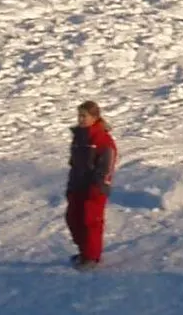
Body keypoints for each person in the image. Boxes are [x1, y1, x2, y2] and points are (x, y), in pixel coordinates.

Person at [66, 100, 119, 269]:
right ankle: (84, 251)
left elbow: (107, 164)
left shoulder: (102, 139)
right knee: (74, 219)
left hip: (94, 188)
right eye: (79, 116)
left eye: (84, 116)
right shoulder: (79, 138)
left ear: (95, 117)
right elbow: (74, 164)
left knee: (91, 221)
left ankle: (91, 257)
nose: (80, 119)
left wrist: (99, 185)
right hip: (78, 185)